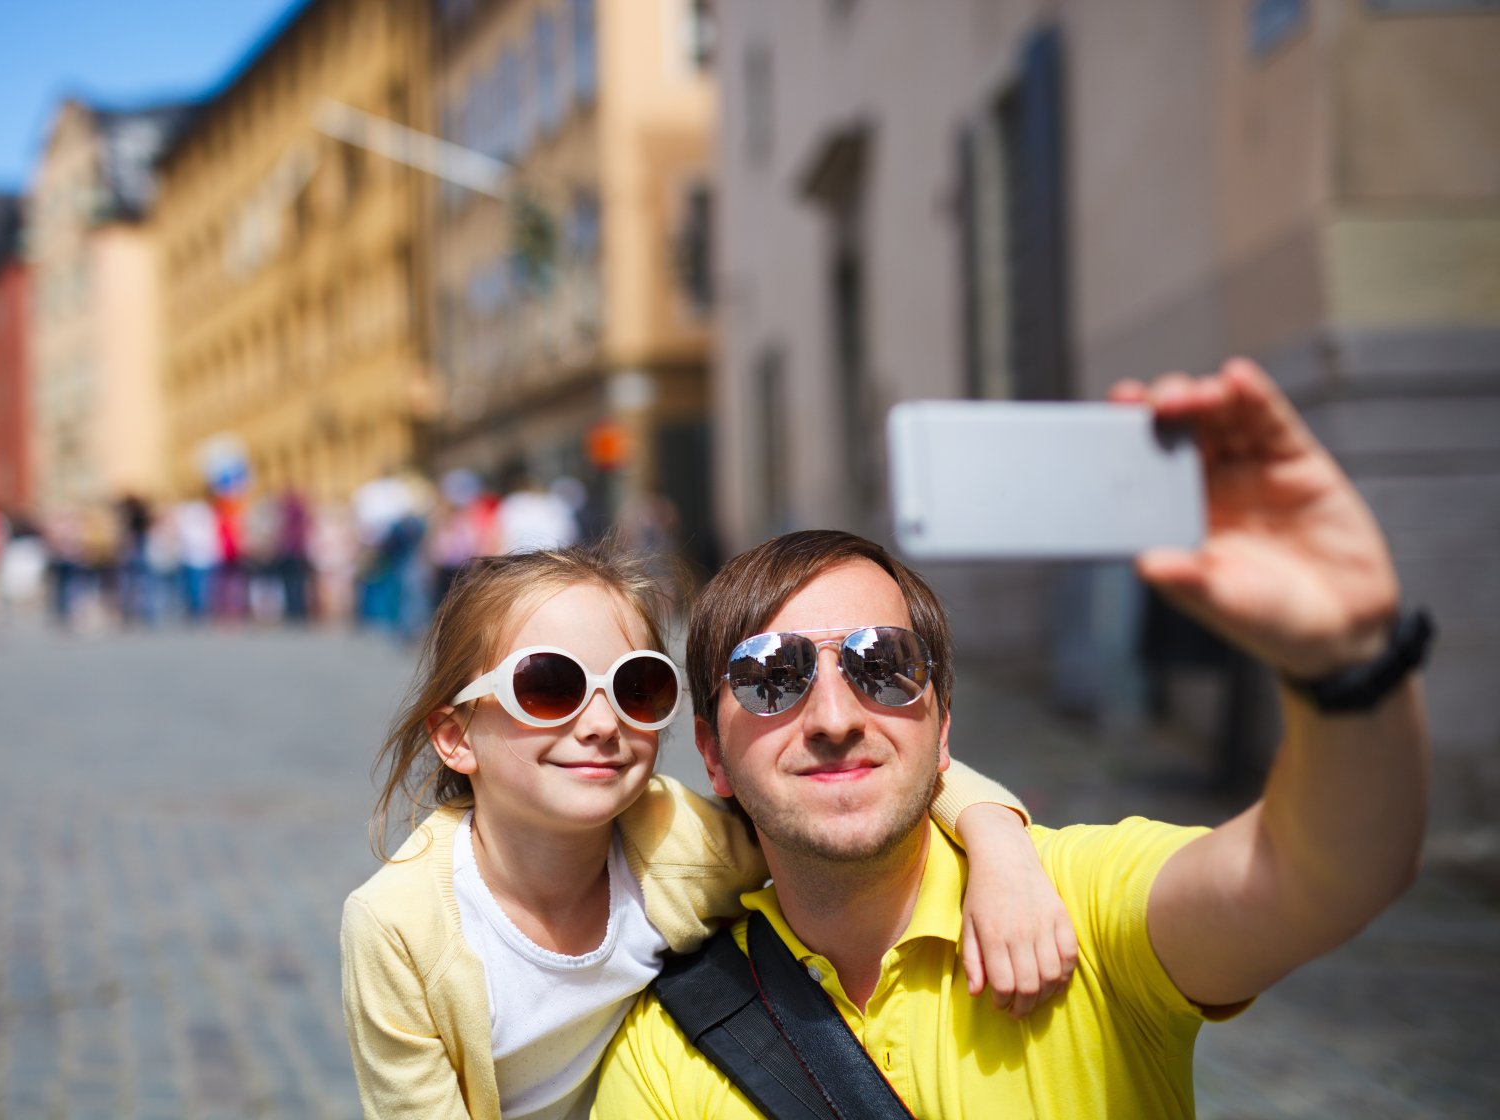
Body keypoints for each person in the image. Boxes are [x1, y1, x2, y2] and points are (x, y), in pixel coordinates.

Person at [592, 359, 1432, 1118]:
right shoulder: (670, 1046)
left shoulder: (1084, 911)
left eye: (883, 665)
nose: (836, 717)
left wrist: (1350, 666)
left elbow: (1319, 877)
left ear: (944, 722)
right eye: (771, 676)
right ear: (709, 753)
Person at [340, 545, 1079, 1120]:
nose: (601, 724)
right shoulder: (400, 928)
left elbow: (877, 788)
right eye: (550, 687)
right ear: (455, 736)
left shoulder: (679, 842)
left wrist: (1001, 848)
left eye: (636, 688)